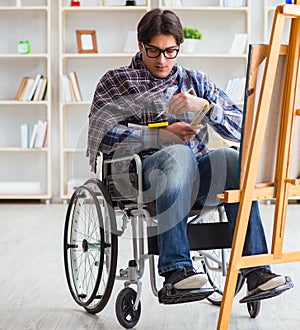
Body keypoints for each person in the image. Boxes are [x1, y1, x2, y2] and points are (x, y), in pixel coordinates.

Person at [87, 8, 293, 302]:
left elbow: (245, 127)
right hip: (141, 176)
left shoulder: (195, 81)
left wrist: (205, 107)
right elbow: (100, 134)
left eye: (170, 51)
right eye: (154, 51)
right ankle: (176, 271)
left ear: (179, 47)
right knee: (177, 155)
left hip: (195, 177)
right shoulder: (117, 81)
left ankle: (257, 271)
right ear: (140, 45)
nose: (162, 60)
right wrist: (159, 136)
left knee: (233, 159)